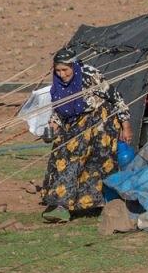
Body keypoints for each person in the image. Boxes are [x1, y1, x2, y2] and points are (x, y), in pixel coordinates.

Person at [40, 47, 132, 223]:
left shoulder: (89, 75)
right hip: (74, 126)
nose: (62, 74)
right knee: (63, 160)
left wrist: (125, 125)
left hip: (100, 125)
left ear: (74, 66)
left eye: (65, 70)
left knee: (97, 164)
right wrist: (51, 127)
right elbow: (59, 110)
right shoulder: (58, 85)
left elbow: (116, 98)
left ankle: (100, 205)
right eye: (58, 70)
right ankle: (62, 206)